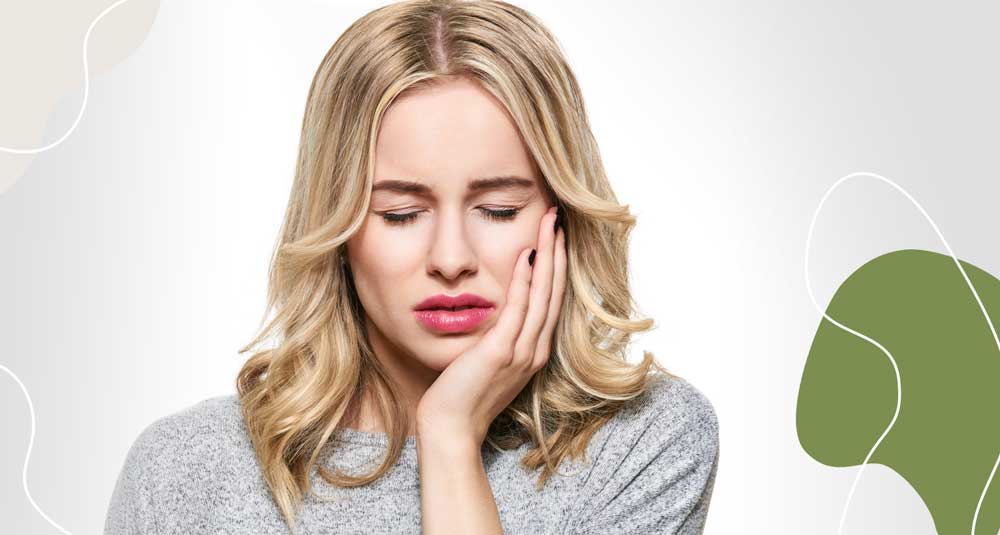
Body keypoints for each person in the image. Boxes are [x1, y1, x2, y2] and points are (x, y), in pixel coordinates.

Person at [103, 1, 720, 533]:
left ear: (559, 216)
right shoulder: (188, 469)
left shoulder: (644, 443)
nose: (451, 260)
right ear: (339, 228)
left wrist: (449, 439)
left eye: (498, 210)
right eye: (400, 214)